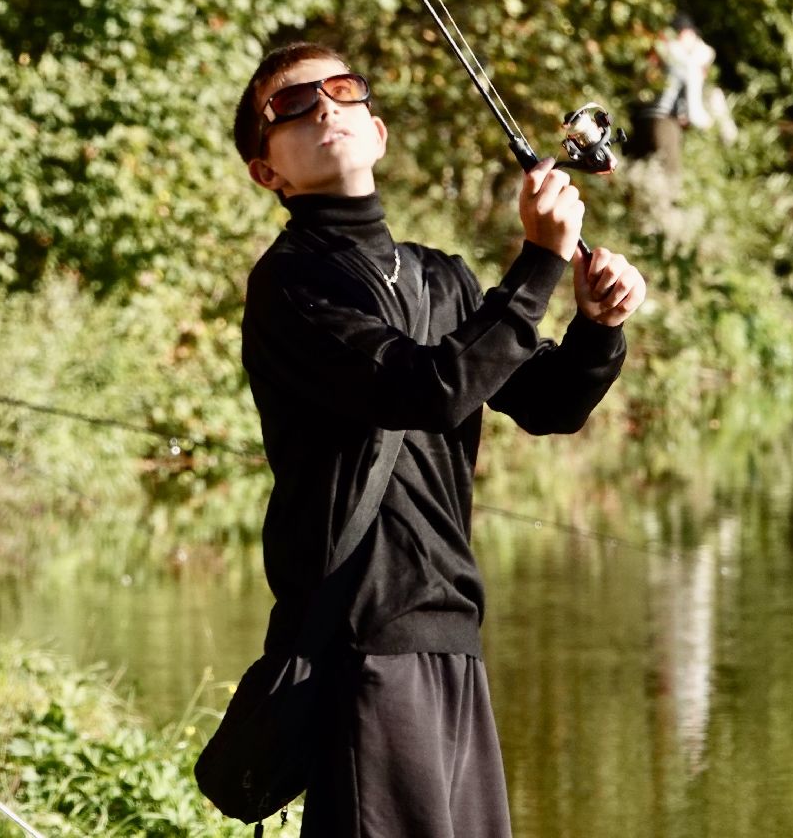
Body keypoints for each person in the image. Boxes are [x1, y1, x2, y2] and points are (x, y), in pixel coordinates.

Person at [228, 43, 646, 836]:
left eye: (341, 91)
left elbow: (547, 404)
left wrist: (596, 328)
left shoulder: (437, 278)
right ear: (267, 173)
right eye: (289, 106)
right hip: (360, 642)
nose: (322, 108)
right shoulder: (290, 283)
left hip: (451, 631)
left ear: (377, 133)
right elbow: (421, 389)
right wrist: (540, 261)